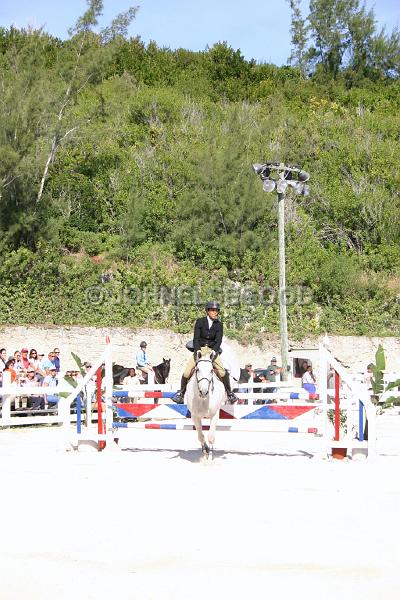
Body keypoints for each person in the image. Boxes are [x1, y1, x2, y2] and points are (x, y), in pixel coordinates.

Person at [173, 300, 238, 404]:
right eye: (212, 310)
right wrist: (197, 349)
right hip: (200, 349)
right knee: (186, 372)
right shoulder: (200, 322)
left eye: (216, 310)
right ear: (208, 311)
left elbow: (218, 340)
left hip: (212, 350)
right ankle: (181, 393)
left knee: (222, 372)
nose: (215, 312)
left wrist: (214, 351)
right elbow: (196, 338)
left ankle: (229, 393)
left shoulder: (219, 325)